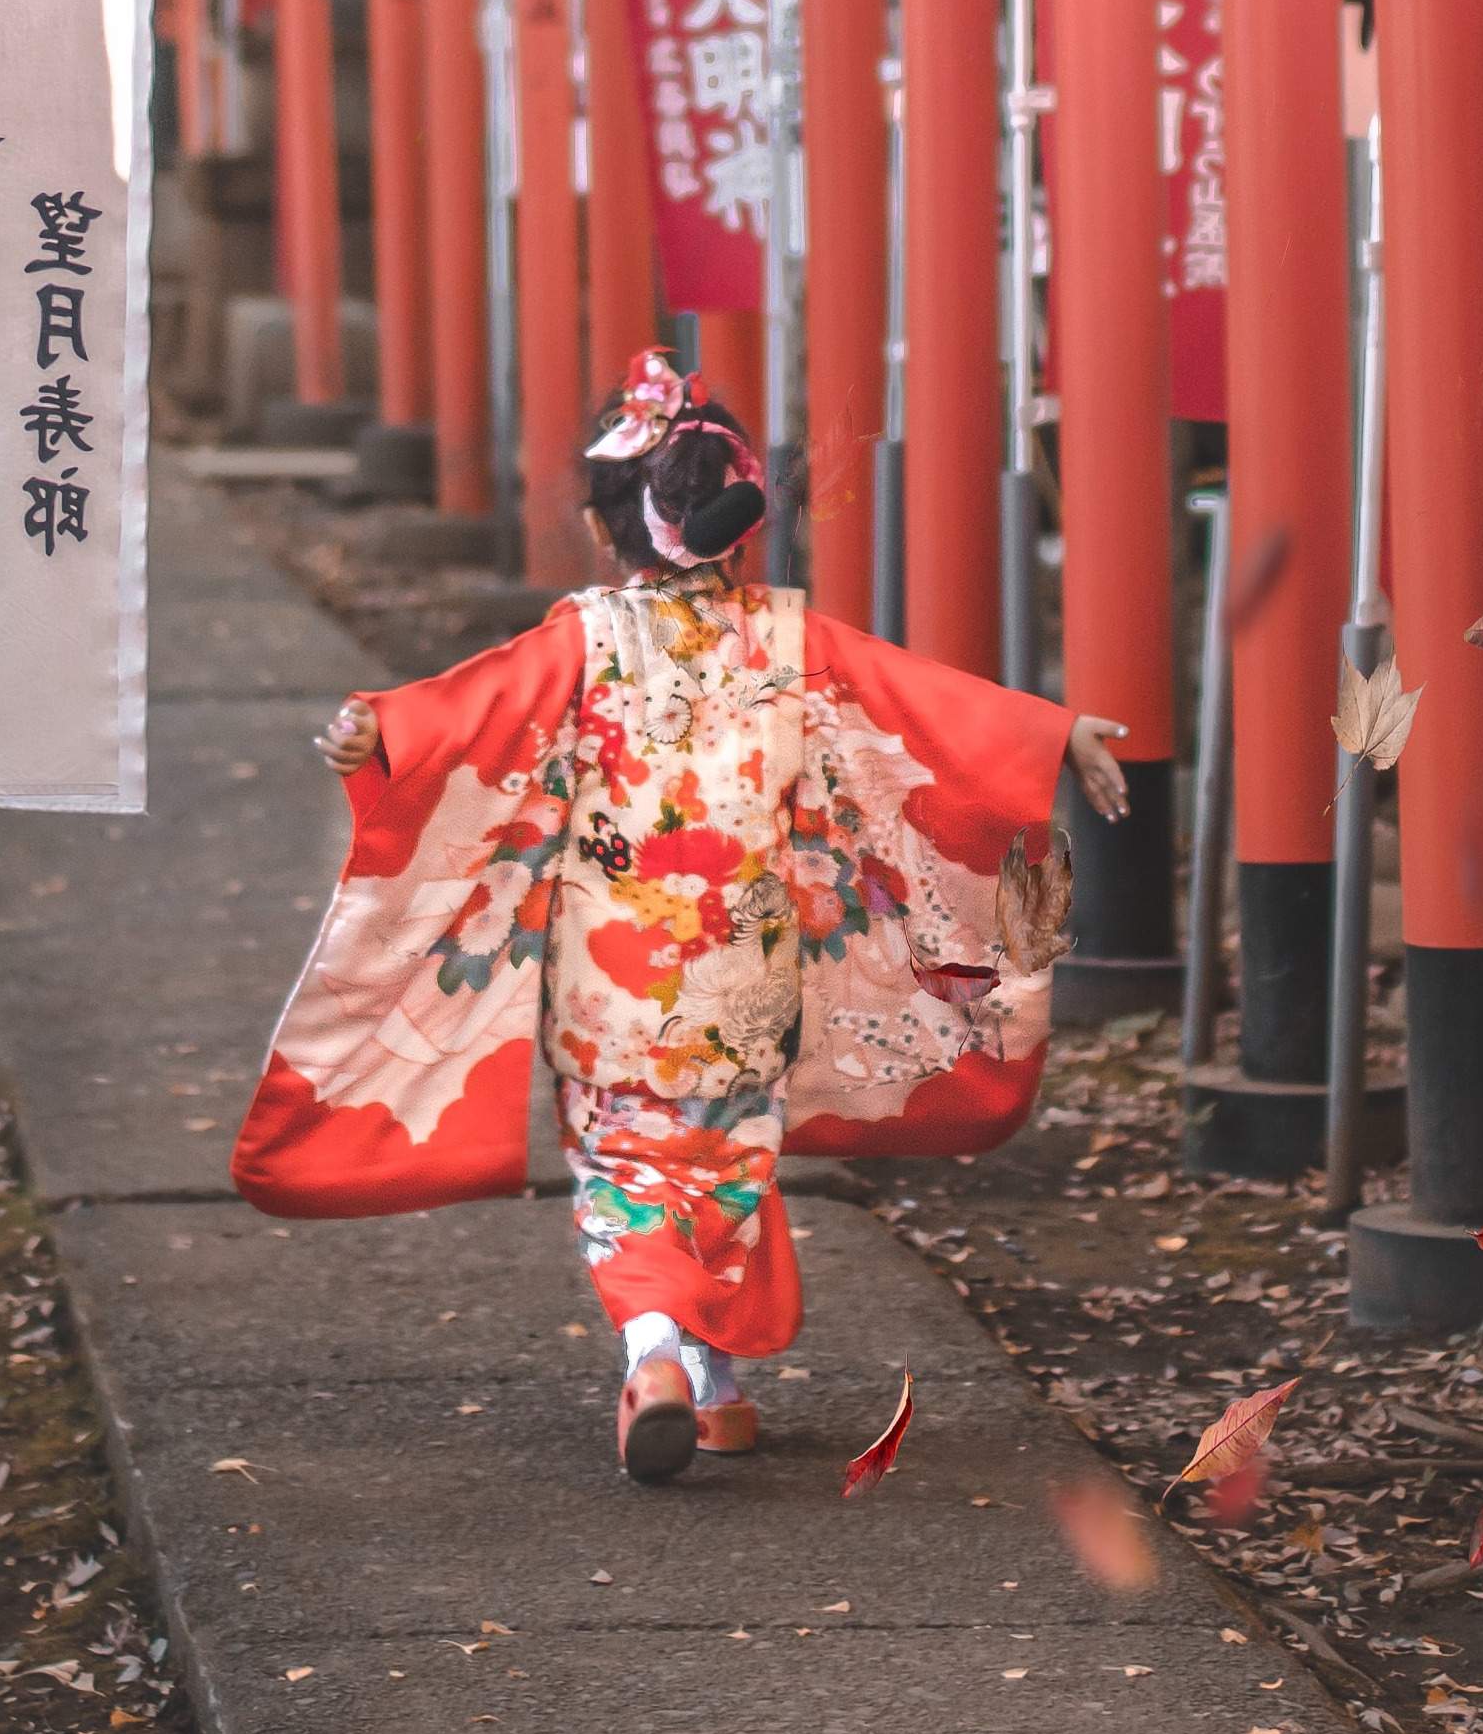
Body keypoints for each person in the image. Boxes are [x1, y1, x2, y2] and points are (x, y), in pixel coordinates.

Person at [232, 349, 1130, 1481]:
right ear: (734, 521)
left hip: (611, 967)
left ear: (609, 528)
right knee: (722, 1154)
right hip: (746, 971)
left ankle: (655, 1348)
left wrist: (378, 733)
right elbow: (927, 708)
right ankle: (719, 1389)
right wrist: (1056, 735)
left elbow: (476, 711)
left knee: (624, 1162)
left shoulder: (587, 638)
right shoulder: (793, 644)